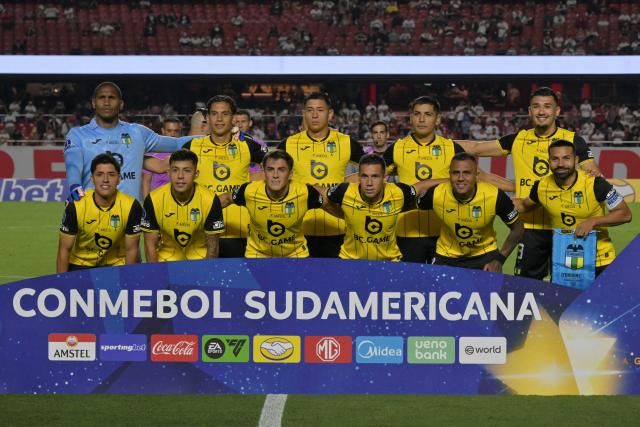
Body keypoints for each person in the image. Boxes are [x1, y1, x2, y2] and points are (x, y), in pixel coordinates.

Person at [458, 87, 602, 279]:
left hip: (566, 228)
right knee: (525, 288)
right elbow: (475, 148)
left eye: (547, 106)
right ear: (529, 111)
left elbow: (594, 174)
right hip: (530, 229)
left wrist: (592, 174)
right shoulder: (518, 139)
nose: (541, 111)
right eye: (536, 106)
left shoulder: (573, 140)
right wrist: (442, 144)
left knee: (569, 287)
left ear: (557, 111)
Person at [382, 95, 513, 264]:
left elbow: (482, 177)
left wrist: (517, 186)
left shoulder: (452, 148)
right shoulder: (396, 148)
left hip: (445, 236)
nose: (422, 119)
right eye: (417, 114)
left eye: (428, 114)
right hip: (407, 233)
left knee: (444, 287)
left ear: (437, 119)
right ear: (411, 118)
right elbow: (373, 175)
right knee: (412, 287)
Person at [513, 140, 631, 276]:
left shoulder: (595, 183)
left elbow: (625, 214)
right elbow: (523, 205)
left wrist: (593, 221)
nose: (561, 164)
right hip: (564, 263)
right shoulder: (541, 186)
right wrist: (494, 198)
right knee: (565, 298)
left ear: (576, 160)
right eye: (555, 159)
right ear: (548, 161)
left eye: (566, 158)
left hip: (599, 261)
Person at [64, 82, 195, 201]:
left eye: (112, 98)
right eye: (102, 97)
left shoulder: (137, 133)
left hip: (130, 218)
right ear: (93, 103)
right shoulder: (78, 135)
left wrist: (210, 138)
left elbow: (177, 144)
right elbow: (73, 166)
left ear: (121, 104)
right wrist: (75, 186)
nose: (106, 103)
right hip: (93, 215)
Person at [277, 92, 365, 258]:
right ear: (304, 113)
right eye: (310, 110)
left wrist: (351, 181)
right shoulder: (288, 144)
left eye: (320, 110)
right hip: (297, 231)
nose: (315, 115)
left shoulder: (346, 142)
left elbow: (375, 169)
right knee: (300, 283)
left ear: (330, 114)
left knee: (336, 283)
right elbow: (268, 174)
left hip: (338, 229)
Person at [183, 95, 267, 258]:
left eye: (225, 114)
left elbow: (276, 167)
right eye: (214, 114)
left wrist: (251, 181)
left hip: (241, 233)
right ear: (207, 118)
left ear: (233, 118)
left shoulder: (247, 145)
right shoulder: (192, 146)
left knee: (242, 283)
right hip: (201, 232)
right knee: (201, 283)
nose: (219, 119)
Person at [417, 152, 524, 272]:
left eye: (467, 173)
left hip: (485, 257)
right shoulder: (436, 194)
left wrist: (499, 259)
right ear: (449, 175)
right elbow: (411, 202)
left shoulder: (494, 196)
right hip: (446, 257)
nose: (461, 178)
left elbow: (518, 228)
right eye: (455, 173)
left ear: (476, 175)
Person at [322, 154, 439, 262]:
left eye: (375, 176)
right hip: (350, 261)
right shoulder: (344, 191)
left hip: (388, 262)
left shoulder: (398, 192)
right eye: (364, 176)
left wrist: (452, 182)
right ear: (358, 177)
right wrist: (343, 214)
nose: (369, 183)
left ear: (384, 178)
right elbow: (321, 194)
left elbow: (421, 186)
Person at [229, 150, 324, 258]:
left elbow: (329, 205)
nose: (275, 175)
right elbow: (226, 199)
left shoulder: (305, 192)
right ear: (263, 172)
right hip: (257, 254)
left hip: (295, 254)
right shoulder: (248, 191)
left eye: (281, 170)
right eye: (270, 169)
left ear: (290, 174)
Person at [57, 153, 142, 272]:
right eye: (99, 174)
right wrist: (62, 283)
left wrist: (128, 283)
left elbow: (131, 250)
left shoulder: (132, 206)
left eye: (111, 175)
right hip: (81, 265)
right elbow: (64, 250)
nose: (105, 180)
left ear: (119, 178)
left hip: (116, 266)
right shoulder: (76, 206)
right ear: (92, 179)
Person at [141, 149, 225, 262]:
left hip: (199, 261)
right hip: (166, 261)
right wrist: (156, 275)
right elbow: (150, 245)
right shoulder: (153, 199)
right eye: (175, 170)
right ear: (168, 172)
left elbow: (213, 246)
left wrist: (207, 274)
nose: (180, 176)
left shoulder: (210, 200)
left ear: (196, 174)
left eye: (187, 170)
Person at [141, 117, 183, 199]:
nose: (173, 134)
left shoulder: (186, 154)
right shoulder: (152, 154)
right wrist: (146, 206)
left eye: (176, 131)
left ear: (180, 131)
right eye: (169, 131)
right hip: (158, 202)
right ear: (163, 131)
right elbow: (146, 182)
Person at [233, 109, 267, 174]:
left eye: (243, 121)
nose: (240, 125)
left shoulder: (259, 143)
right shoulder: (227, 142)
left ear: (250, 123)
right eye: (237, 122)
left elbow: (265, 161)